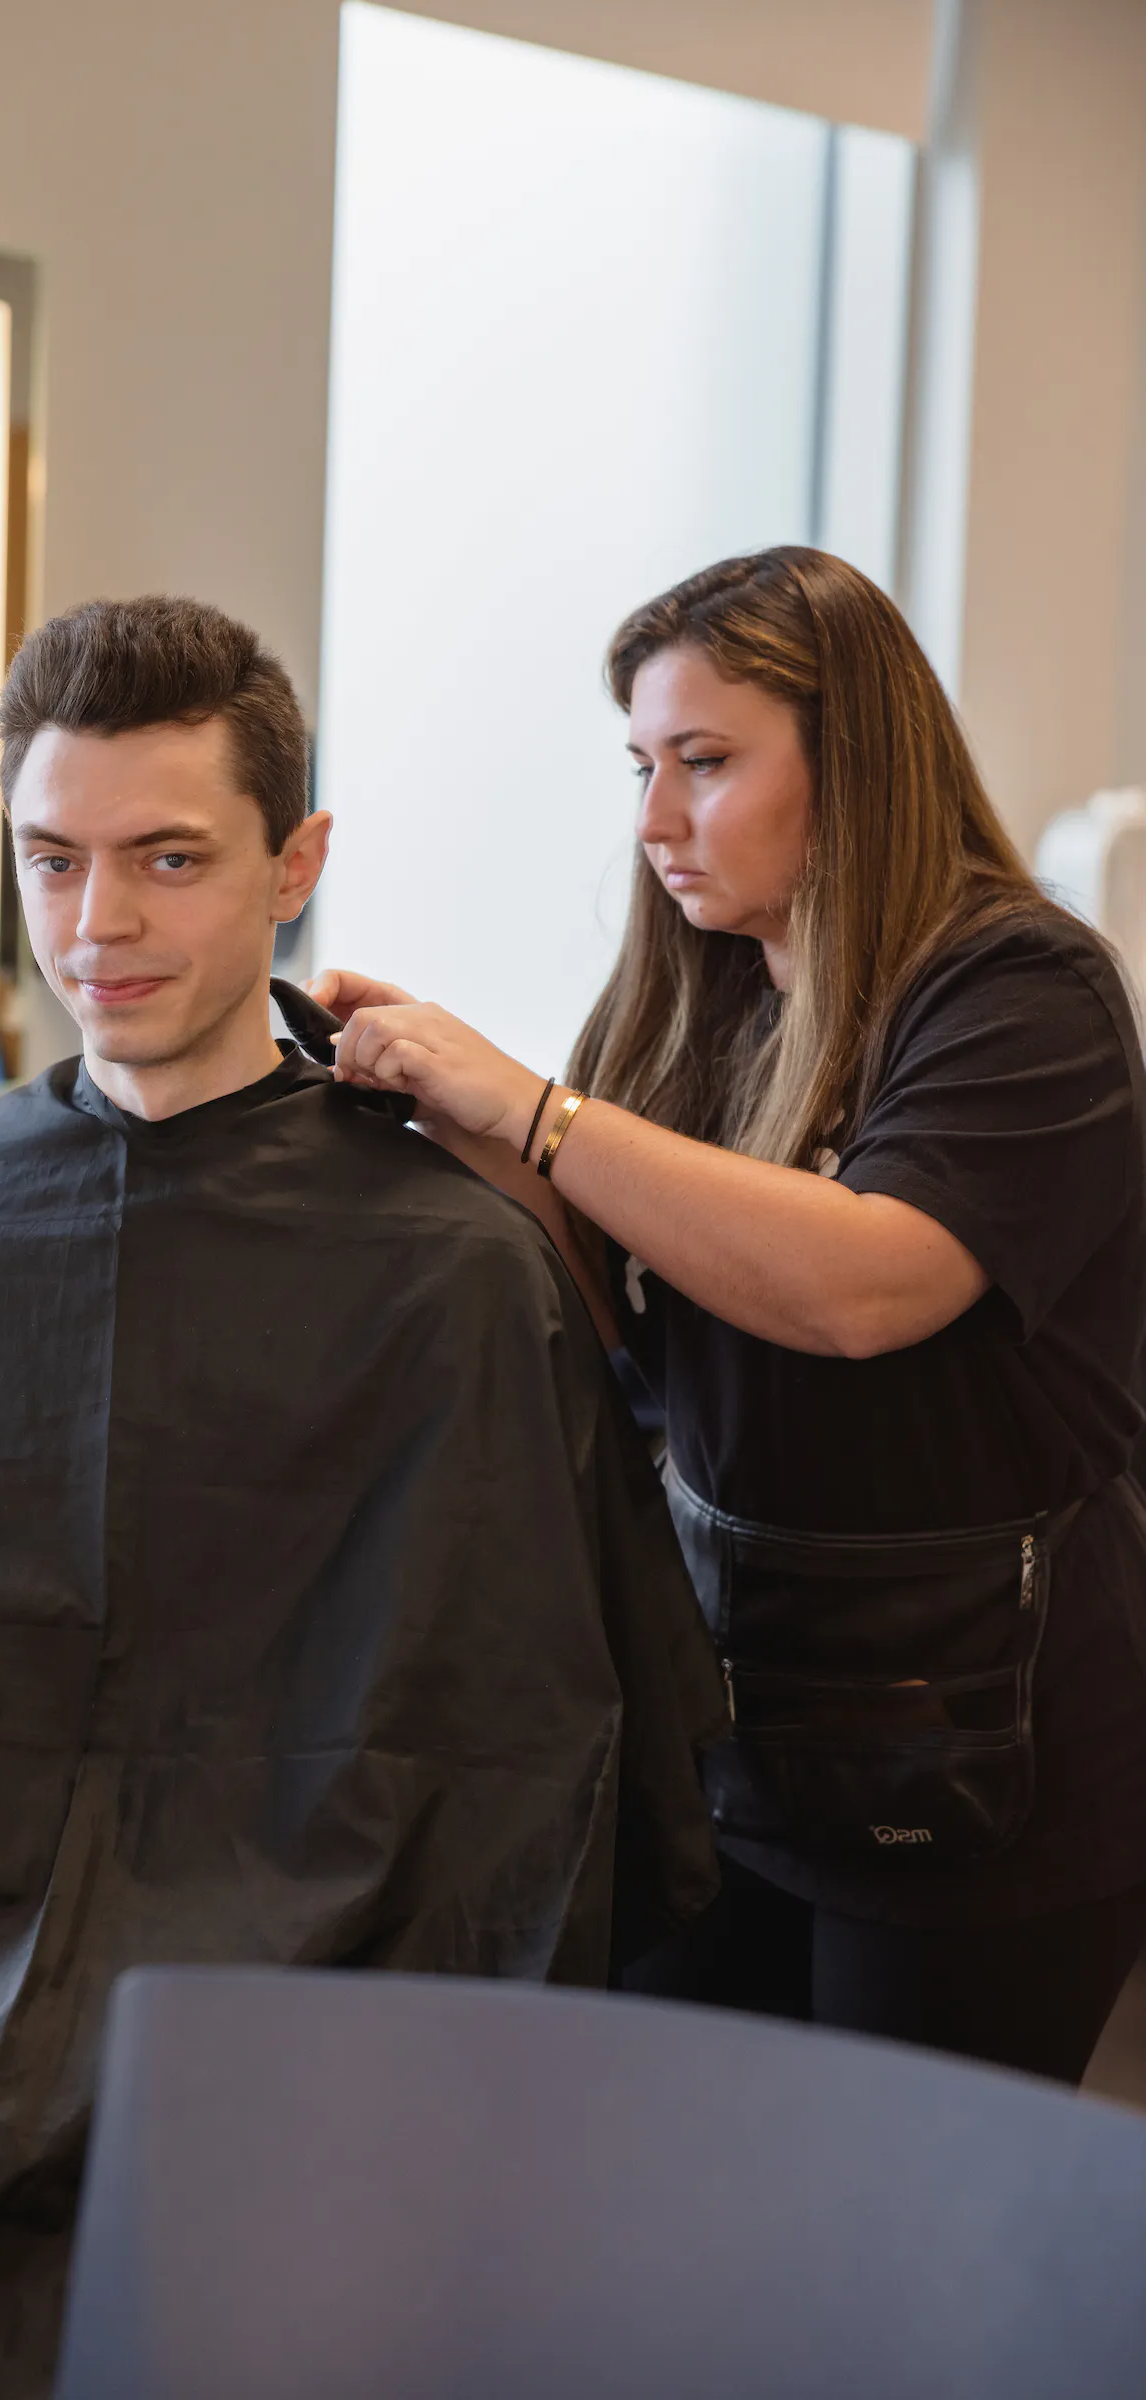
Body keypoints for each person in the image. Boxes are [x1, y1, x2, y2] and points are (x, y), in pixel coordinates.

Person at [0, 597, 720, 2397]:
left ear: (293, 866)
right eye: (53, 860)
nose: (97, 925)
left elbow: (538, 1773)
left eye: (168, 860)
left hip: (307, 2028)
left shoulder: (453, 1272)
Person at [314, 545, 1146, 2088]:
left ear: (857, 760)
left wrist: (541, 1113)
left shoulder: (1022, 993)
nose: (653, 822)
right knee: (681, 2171)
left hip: (985, 1763)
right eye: (642, 767)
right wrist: (455, 1119)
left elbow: (863, 1286)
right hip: (740, 1726)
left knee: (890, 2213)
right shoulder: (697, 1001)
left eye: (703, 762)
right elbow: (624, 1313)